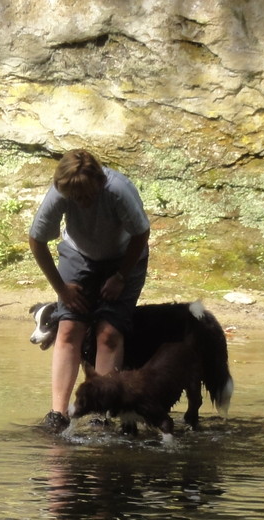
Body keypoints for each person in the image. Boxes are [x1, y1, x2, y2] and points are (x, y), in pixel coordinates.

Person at [28, 149, 151, 432]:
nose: (81, 202)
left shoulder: (118, 190)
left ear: (99, 183)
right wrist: (61, 288)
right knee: (70, 327)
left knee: (108, 332)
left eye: (87, 196)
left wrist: (121, 276)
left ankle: (101, 412)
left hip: (124, 256)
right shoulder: (61, 191)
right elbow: (37, 240)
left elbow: (141, 233)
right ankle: (57, 414)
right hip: (79, 254)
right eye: (75, 198)